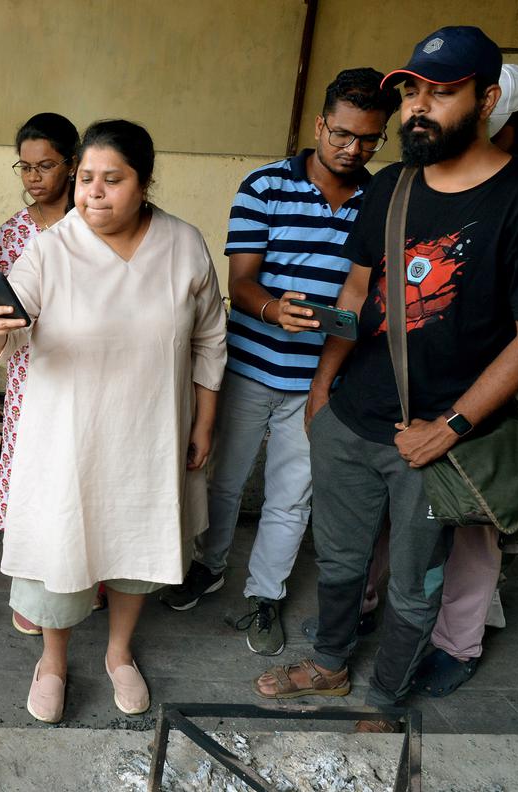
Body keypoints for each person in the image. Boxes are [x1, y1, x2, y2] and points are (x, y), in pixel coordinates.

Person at [254, 27, 518, 733]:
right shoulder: (392, 185)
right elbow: (356, 292)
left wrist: (450, 427)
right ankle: (328, 662)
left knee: (417, 585)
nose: (419, 106)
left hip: (440, 439)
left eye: (441, 92)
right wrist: (324, 388)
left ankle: (386, 697)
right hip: (352, 417)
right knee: (344, 559)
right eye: (412, 89)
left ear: (487, 98)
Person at [0, 119, 227, 723]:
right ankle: (53, 662)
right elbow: (9, 316)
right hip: (68, 438)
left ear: (144, 183)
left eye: (112, 180)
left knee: (137, 548)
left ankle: (118, 654)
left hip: (151, 430)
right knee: (63, 548)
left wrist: (204, 421)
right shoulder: (50, 247)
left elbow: (212, 337)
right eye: (86, 179)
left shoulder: (184, 245)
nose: (94, 193)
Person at [159, 69, 400, 657]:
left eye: (369, 139)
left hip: (322, 381)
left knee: (292, 496)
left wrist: (337, 343)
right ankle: (208, 565)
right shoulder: (264, 186)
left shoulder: (383, 201)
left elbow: (367, 297)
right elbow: (238, 284)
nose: (353, 149)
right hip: (245, 367)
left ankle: (265, 595)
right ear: (320, 124)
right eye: (342, 134)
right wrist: (273, 309)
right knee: (223, 481)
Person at [406, 62, 518, 698]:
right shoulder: (424, 182)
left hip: (487, 392)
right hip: (410, 388)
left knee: (476, 524)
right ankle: (383, 611)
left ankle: (458, 642)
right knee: (398, 518)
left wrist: (467, 413)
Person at [0, 112, 80, 636]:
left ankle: (80, 578)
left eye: (44, 165)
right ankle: (31, 583)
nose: (32, 177)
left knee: (77, 477)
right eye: (23, 166)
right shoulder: (14, 231)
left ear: (72, 165)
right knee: (32, 479)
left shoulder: (93, 224)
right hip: (31, 373)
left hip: (86, 369)